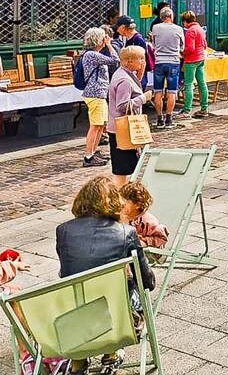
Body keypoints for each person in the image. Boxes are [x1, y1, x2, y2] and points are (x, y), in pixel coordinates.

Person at [56, 177, 155, 375]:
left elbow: (65, 272)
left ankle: (79, 360)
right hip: (118, 320)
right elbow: (146, 282)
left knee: (84, 290)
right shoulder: (126, 232)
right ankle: (111, 352)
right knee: (126, 290)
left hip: (75, 316)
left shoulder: (63, 230)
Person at [107, 46, 153, 187]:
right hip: (122, 131)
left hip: (121, 129)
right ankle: (121, 197)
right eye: (140, 58)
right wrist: (144, 98)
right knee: (123, 168)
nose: (143, 61)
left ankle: (125, 195)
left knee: (128, 166)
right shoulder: (124, 80)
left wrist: (139, 75)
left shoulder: (124, 73)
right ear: (129, 61)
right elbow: (122, 106)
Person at [79, 27, 119, 168]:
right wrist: (109, 45)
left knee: (100, 126)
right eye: (103, 38)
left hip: (98, 94)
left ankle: (93, 152)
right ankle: (88, 156)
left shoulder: (92, 54)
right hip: (95, 94)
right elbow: (115, 60)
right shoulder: (92, 55)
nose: (105, 40)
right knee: (95, 126)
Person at [150, 7, 184, 129]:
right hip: (173, 62)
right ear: (171, 16)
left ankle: (159, 118)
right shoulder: (178, 29)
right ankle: (169, 118)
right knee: (172, 92)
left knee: (158, 91)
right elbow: (182, 46)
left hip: (159, 62)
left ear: (161, 17)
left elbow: (153, 45)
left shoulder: (155, 28)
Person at [119, 181, 169, 250]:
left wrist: (145, 242)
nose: (121, 204)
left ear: (137, 205)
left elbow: (161, 238)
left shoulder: (148, 221)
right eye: (120, 201)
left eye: (125, 202)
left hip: (149, 252)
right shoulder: (123, 216)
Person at [181, 10, 209, 119]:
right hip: (201, 59)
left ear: (185, 21)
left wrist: (182, 52)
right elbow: (205, 45)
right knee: (202, 84)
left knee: (188, 85)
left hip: (191, 60)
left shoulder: (190, 31)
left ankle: (187, 111)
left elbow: (190, 48)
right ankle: (204, 108)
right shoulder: (200, 29)